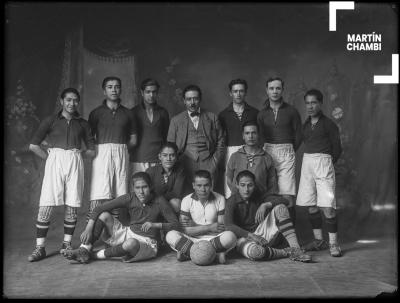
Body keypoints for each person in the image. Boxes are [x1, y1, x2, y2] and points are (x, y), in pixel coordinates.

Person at [27, 88, 95, 262]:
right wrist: (51, 158)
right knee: (47, 204)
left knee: (72, 204)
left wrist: (77, 156)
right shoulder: (50, 120)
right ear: (61, 101)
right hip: (55, 161)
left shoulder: (83, 123)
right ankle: (40, 248)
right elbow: (34, 146)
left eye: (75, 100)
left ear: (78, 102)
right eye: (68, 100)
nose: (72, 103)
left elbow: (91, 150)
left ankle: (66, 244)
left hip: (74, 161)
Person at [62, 172, 179, 263]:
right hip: (129, 233)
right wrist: (88, 227)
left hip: (148, 242)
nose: (141, 192)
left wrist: (155, 225)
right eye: (137, 188)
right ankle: (84, 249)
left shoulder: (159, 201)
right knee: (104, 216)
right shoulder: (130, 197)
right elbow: (99, 208)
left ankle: (93, 255)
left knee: (130, 244)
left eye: (145, 187)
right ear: (133, 188)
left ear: (151, 187)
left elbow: (175, 224)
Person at [225, 170, 311, 262]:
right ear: (237, 185)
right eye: (242, 185)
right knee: (256, 253)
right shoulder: (231, 201)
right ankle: (287, 252)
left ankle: (296, 249)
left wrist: (265, 205)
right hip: (243, 238)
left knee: (280, 208)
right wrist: (252, 236)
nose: (246, 189)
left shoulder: (258, 195)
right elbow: (229, 226)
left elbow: (285, 201)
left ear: (254, 185)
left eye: (250, 185)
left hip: (262, 233)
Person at [296, 89, 343, 257]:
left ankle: (333, 243)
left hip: (324, 163)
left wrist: (328, 164)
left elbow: (337, 148)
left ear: (320, 104)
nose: (310, 106)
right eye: (307, 103)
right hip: (308, 163)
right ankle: (319, 240)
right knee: (311, 205)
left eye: (313, 102)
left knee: (328, 207)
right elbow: (297, 143)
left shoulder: (329, 124)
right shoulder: (306, 125)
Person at [88, 76, 137, 220]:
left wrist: (120, 150)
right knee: (99, 190)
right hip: (101, 154)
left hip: (121, 153)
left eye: (117, 86)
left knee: (120, 191)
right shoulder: (96, 113)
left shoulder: (128, 113)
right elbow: (89, 137)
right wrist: (98, 151)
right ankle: (91, 233)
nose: (114, 90)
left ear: (120, 89)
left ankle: (115, 232)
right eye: (110, 87)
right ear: (104, 91)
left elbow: (133, 140)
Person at [165, 170, 237, 264]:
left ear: (211, 185)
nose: (203, 189)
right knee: (170, 235)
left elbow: (220, 228)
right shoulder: (186, 200)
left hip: (213, 239)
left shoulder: (220, 198)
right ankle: (215, 256)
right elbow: (184, 230)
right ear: (193, 185)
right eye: (199, 185)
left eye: (206, 185)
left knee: (230, 236)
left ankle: (188, 253)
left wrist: (194, 225)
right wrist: (210, 227)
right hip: (192, 240)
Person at [257, 77, 302, 224]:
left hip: (286, 151)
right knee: (268, 193)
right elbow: (260, 136)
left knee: (287, 195)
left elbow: (298, 135)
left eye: (278, 88)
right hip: (268, 150)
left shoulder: (292, 111)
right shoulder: (262, 113)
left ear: (282, 90)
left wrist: (288, 149)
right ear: (267, 90)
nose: (274, 91)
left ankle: (291, 237)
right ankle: (272, 235)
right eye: (271, 88)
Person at [167, 85, 225, 183]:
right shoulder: (175, 120)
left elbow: (221, 142)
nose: (192, 102)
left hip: (208, 162)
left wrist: (214, 162)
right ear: (184, 101)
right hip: (184, 163)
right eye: (189, 99)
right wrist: (177, 164)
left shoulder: (212, 117)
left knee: (207, 193)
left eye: (195, 99)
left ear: (200, 99)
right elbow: (170, 145)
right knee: (187, 195)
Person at [218, 79, 259, 199]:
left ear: (246, 93)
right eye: (235, 91)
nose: (238, 94)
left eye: (241, 91)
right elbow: (220, 138)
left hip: (251, 150)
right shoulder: (223, 114)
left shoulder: (255, 113)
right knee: (231, 186)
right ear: (230, 93)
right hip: (230, 152)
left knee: (249, 184)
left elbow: (259, 135)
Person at [226, 121, 278, 197]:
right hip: (238, 200)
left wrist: (265, 199)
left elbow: (272, 182)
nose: (250, 136)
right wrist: (238, 195)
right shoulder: (235, 156)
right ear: (243, 136)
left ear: (258, 135)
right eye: (247, 133)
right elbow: (229, 179)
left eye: (254, 133)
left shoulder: (266, 157)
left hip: (260, 200)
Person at [130, 78, 169, 174]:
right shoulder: (133, 112)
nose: (151, 95)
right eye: (148, 92)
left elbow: (166, 136)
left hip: (158, 159)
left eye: (154, 92)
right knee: (138, 188)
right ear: (142, 93)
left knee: (157, 188)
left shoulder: (163, 112)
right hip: (138, 159)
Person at [146, 142, 185, 213]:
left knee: (176, 202)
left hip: (169, 205)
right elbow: (146, 194)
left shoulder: (180, 170)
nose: (168, 159)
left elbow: (177, 193)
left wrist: (161, 199)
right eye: (165, 155)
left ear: (176, 157)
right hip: (153, 204)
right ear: (159, 157)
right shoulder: (150, 171)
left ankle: (170, 223)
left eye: (172, 155)